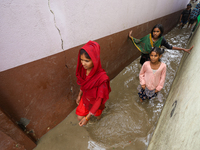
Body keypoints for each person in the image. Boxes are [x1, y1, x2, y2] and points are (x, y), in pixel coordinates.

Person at [75, 41, 111, 127]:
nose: (83, 63)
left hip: (95, 102)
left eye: (86, 61)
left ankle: (99, 120)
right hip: (86, 98)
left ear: (95, 60)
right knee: (79, 117)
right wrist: (79, 94)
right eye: (81, 60)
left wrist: (87, 118)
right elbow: (83, 83)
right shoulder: (83, 70)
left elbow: (99, 99)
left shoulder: (102, 79)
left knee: (98, 116)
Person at [128, 24, 193, 65]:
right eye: (154, 31)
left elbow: (170, 47)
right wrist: (131, 37)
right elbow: (139, 41)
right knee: (143, 68)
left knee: (151, 70)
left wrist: (182, 49)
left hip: (153, 58)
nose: (155, 33)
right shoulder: (148, 36)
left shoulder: (162, 40)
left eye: (157, 31)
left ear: (161, 32)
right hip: (145, 56)